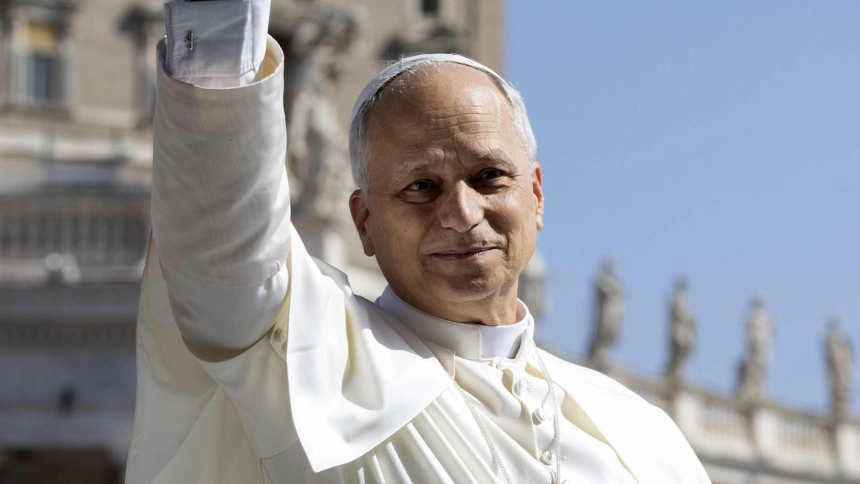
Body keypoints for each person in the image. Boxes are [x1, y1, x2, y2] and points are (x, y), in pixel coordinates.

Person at [125, 1, 711, 482]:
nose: (460, 213)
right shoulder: (311, 361)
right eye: (420, 186)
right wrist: (223, 35)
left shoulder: (644, 437)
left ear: (536, 194)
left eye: (489, 177)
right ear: (364, 223)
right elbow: (222, 249)